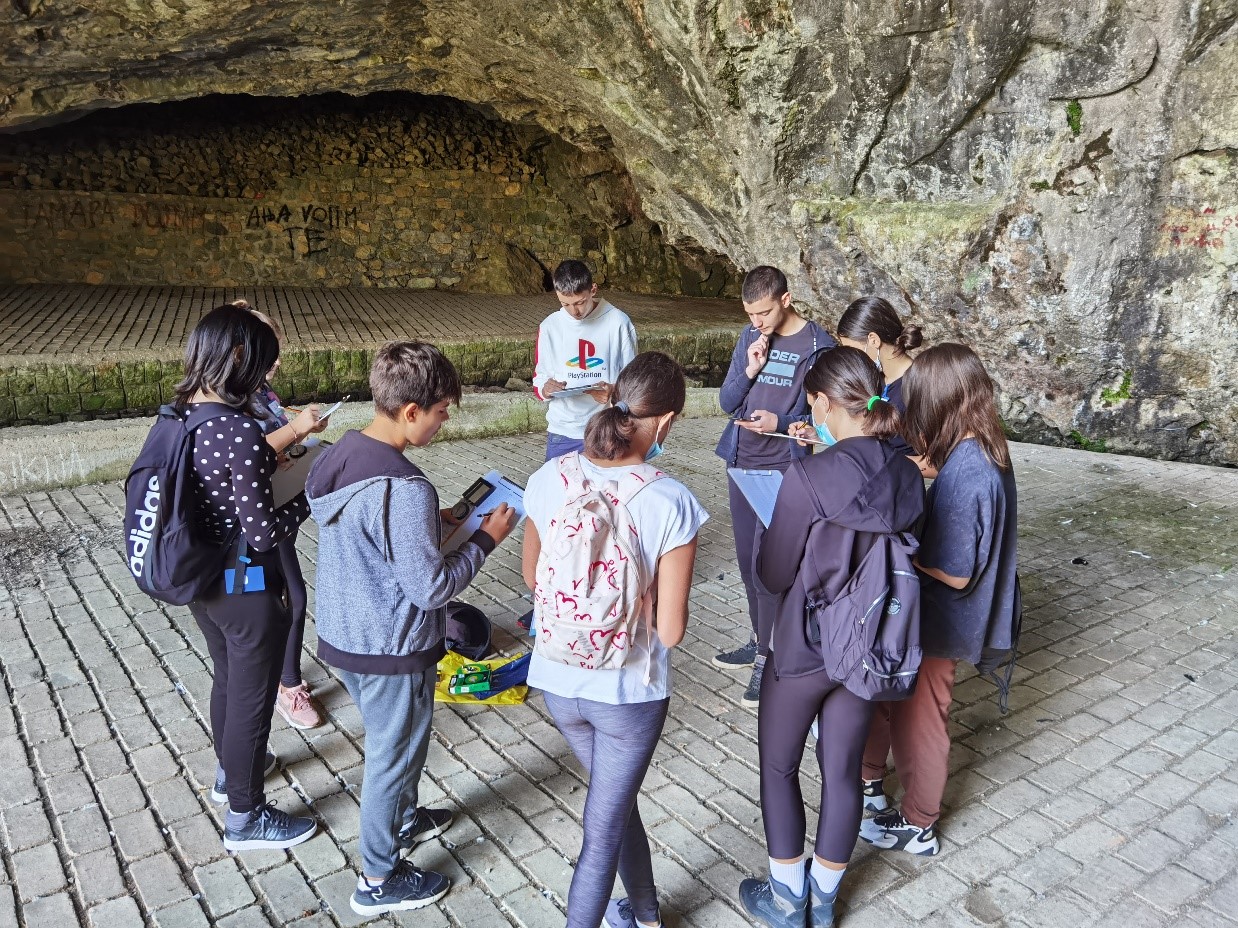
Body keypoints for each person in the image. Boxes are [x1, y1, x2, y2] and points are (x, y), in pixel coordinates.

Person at [306, 341, 518, 916]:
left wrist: (434, 524)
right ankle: (378, 878)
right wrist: (484, 540)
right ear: (409, 411)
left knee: (398, 740)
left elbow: (374, 534)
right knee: (392, 754)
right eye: (441, 412)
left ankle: (401, 819)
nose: (444, 423)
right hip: (390, 644)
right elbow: (430, 589)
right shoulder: (406, 487)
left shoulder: (340, 453)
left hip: (345, 632)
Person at [738, 347, 925, 928]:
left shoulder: (807, 478)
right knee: (842, 770)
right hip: (870, 642)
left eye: (811, 404)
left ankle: (786, 900)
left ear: (821, 403)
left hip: (805, 642)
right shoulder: (906, 470)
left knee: (779, 766)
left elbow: (773, 574)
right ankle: (824, 900)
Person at [522, 352, 707, 928]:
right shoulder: (671, 500)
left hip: (557, 679)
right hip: (627, 695)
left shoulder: (549, 477)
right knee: (601, 832)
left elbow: (531, 578)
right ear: (667, 420)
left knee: (615, 807)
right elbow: (671, 631)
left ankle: (646, 914)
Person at [859, 343, 1020, 856]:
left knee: (922, 721)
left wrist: (899, 548)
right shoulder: (982, 448)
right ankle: (883, 788)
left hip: (942, 620)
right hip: (947, 617)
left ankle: (919, 822)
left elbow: (955, 572)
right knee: (898, 706)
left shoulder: (969, 475)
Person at [174, 303, 318, 851]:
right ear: (240, 359)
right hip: (244, 582)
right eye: (262, 363)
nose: (266, 374)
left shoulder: (182, 415)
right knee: (253, 700)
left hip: (202, 575)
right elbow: (262, 534)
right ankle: (246, 816)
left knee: (228, 679)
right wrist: (309, 493)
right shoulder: (237, 430)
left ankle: (228, 774)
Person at [713, 265, 835, 706]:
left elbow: (823, 418)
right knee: (748, 565)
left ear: (786, 299)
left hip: (785, 470)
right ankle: (759, 638)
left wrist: (779, 422)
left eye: (763, 313)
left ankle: (771, 657)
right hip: (741, 461)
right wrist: (750, 369)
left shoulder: (819, 346)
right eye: (750, 314)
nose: (756, 322)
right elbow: (727, 402)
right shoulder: (750, 336)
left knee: (772, 568)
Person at [243, 304, 330, 729]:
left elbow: (269, 444)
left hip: (278, 507)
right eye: (270, 351)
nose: (277, 360)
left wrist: (302, 432)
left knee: (288, 597)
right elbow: (248, 453)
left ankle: (279, 677)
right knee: (289, 598)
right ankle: (286, 685)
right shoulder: (229, 401)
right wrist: (295, 432)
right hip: (259, 521)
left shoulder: (260, 389)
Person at [532, 259, 639, 461]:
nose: (574, 312)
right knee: (557, 483)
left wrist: (613, 391)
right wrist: (546, 389)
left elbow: (634, 381)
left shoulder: (618, 322)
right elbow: (539, 378)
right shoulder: (549, 326)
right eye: (565, 304)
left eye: (580, 302)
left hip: (606, 430)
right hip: (563, 431)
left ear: (593, 290)